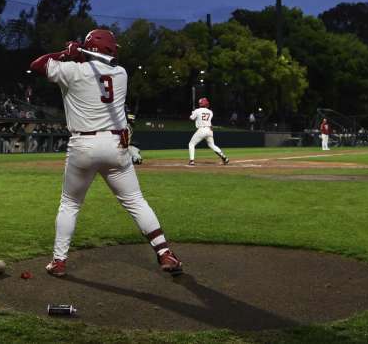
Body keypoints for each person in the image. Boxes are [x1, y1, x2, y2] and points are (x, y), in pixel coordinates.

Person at [29, 28, 182, 278]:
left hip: (83, 145)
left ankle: (58, 261)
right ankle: (164, 252)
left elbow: (37, 64)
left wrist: (66, 54)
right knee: (135, 201)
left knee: (70, 204)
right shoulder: (121, 73)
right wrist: (78, 55)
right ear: (108, 49)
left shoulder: (71, 71)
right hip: (115, 146)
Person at [187, 98, 228, 166]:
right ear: (206, 104)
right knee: (212, 145)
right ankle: (224, 158)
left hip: (201, 130)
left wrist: (192, 113)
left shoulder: (197, 110)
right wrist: (194, 113)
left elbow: (191, 118)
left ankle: (192, 161)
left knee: (191, 144)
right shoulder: (210, 112)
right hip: (209, 130)